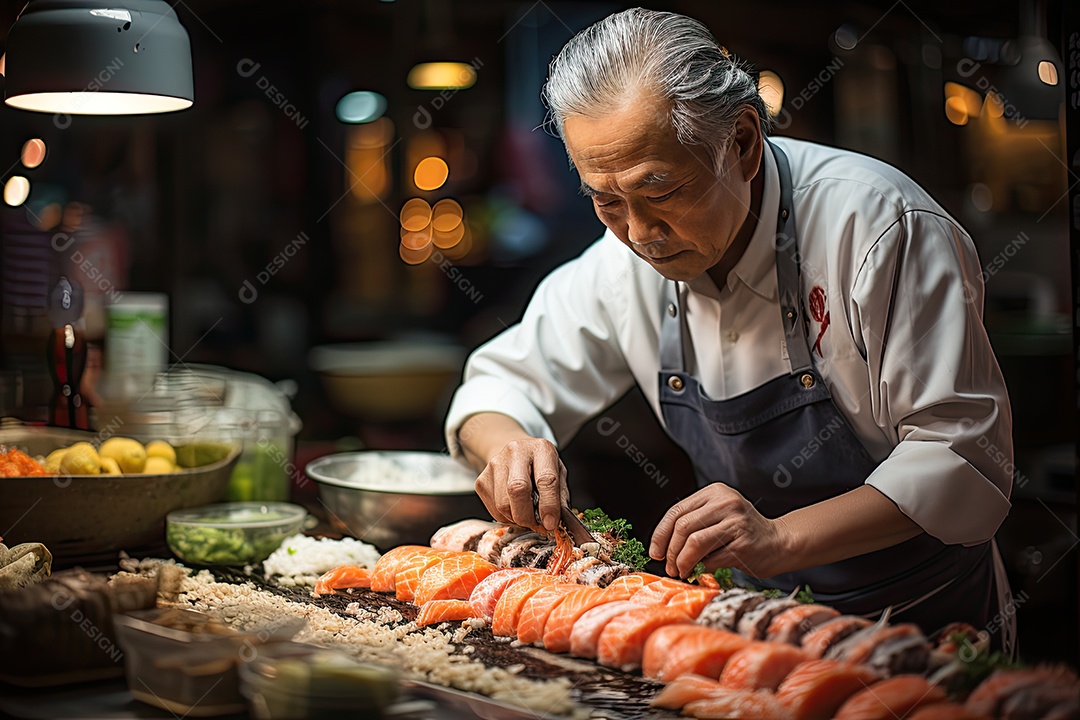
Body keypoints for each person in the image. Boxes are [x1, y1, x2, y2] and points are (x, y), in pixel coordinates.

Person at [444, 7, 1014, 647]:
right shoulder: (619, 265)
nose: (639, 235)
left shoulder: (879, 227)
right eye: (606, 200)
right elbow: (499, 386)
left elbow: (964, 457)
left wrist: (780, 538)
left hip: (925, 624)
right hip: (750, 630)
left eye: (660, 192)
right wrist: (509, 446)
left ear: (741, 142)